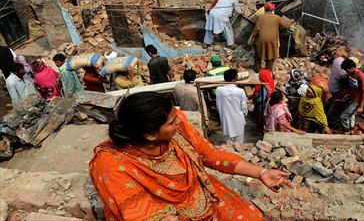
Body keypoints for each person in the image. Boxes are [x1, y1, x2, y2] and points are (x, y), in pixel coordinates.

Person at [89, 92, 292, 220]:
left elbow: (210, 155)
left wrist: (262, 172)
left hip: (203, 195)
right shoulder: (112, 165)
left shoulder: (179, 126)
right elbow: (143, 215)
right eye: (171, 121)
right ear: (150, 134)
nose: (179, 120)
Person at [250, 2, 293, 72]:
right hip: (273, 40)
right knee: (271, 54)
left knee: (258, 54)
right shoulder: (277, 17)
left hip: (262, 39)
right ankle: (268, 70)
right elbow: (286, 26)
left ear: (264, 9)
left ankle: (257, 68)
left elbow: (256, 29)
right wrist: (291, 21)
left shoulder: (260, 17)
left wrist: (253, 38)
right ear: (272, 10)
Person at [216, 69, 248, 144]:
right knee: (239, 143)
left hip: (225, 119)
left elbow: (218, 104)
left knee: (228, 143)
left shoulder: (219, 90)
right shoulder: (240, 91)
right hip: (238, 119)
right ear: (234, 79)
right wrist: (244, 114)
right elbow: (244, 107)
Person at [339, 57, 364, 133]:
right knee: (351, 115)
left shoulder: (361, 76)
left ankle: (346, 131)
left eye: (346, 70)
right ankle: (351, 128)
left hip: (356, 101)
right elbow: (351, 86)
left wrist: (361, 106)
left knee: (343, 117)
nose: (346, 72)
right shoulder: (350, 74)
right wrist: (347, 95)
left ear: (352, 68)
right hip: (351, 97)